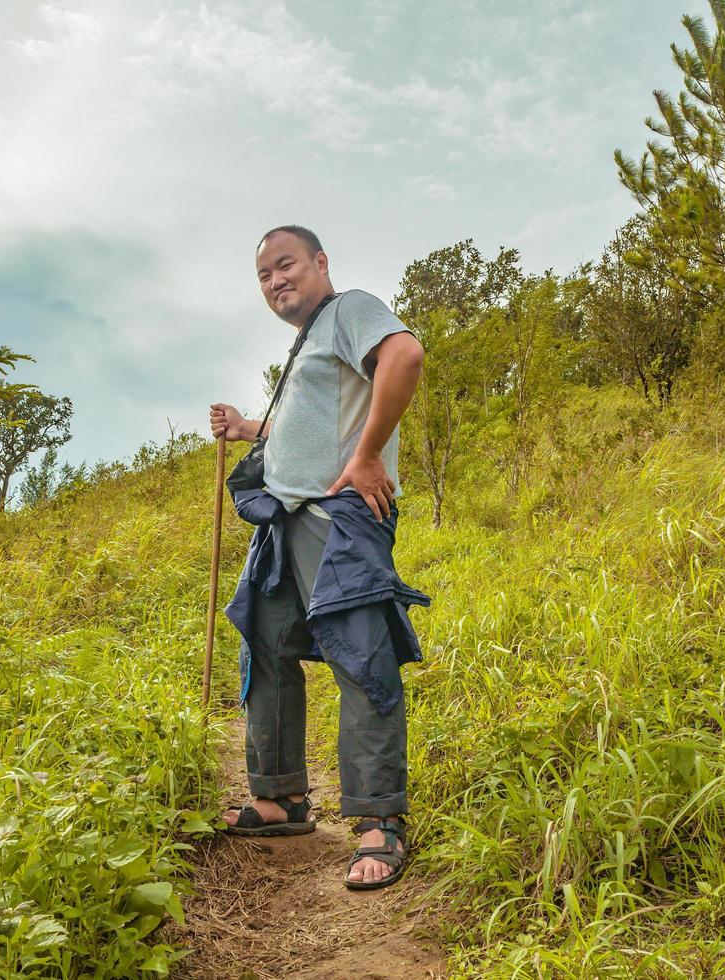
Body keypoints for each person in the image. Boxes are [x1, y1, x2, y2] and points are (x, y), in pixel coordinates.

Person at [209, 225, 429, 890]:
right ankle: (281, 799)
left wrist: (365, 457)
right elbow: (308, 427)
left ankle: (378, 821)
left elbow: (404, 355)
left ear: (319, 263)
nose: (276, 281)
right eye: (264, 275)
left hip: (335, 523)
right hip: (284, 523)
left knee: (361, 658)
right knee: (267, 645)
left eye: (286, 265)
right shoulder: (308, 346)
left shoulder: (350, 309)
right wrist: (250, 427)